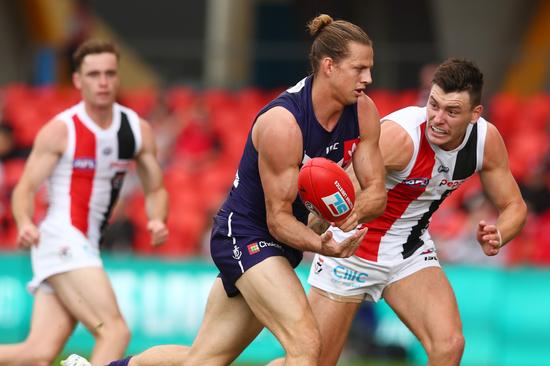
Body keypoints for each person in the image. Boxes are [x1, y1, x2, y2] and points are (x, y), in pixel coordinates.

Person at [69, 14, 386, 366]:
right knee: (307, 345)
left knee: (203, 360)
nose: (368, 79)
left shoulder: (363, 112)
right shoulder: (283, 124)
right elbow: (278, 220)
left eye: (369, 68)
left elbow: (376, 189)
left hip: (283, 244)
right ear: (329, 66)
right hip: (246, 235)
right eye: (359, 69)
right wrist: (323, 245)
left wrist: (349, 218)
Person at [303, 58, 528, 365]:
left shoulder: (485, 142)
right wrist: (314, 228)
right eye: (433, 105)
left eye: (452, 112)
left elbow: (514, 206)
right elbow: (343, 196)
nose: (437, 118)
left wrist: (501, 233)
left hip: (409, 252)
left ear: (475, 114)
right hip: (352, 250)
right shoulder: (400, 137)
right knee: (311, 362)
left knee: (449, 346)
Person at [0, 39, 169, 366]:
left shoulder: (135, 130)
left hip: (84, 243)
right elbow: (25, 188)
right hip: (62, 238)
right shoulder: (61, 130)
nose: (102, 82)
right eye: (93, 74)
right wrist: (23, 222)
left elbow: (156, 188)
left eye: (109, 73)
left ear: (118, 78)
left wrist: (157, 218)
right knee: (115, 332)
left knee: (36, 353)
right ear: (78, 80)